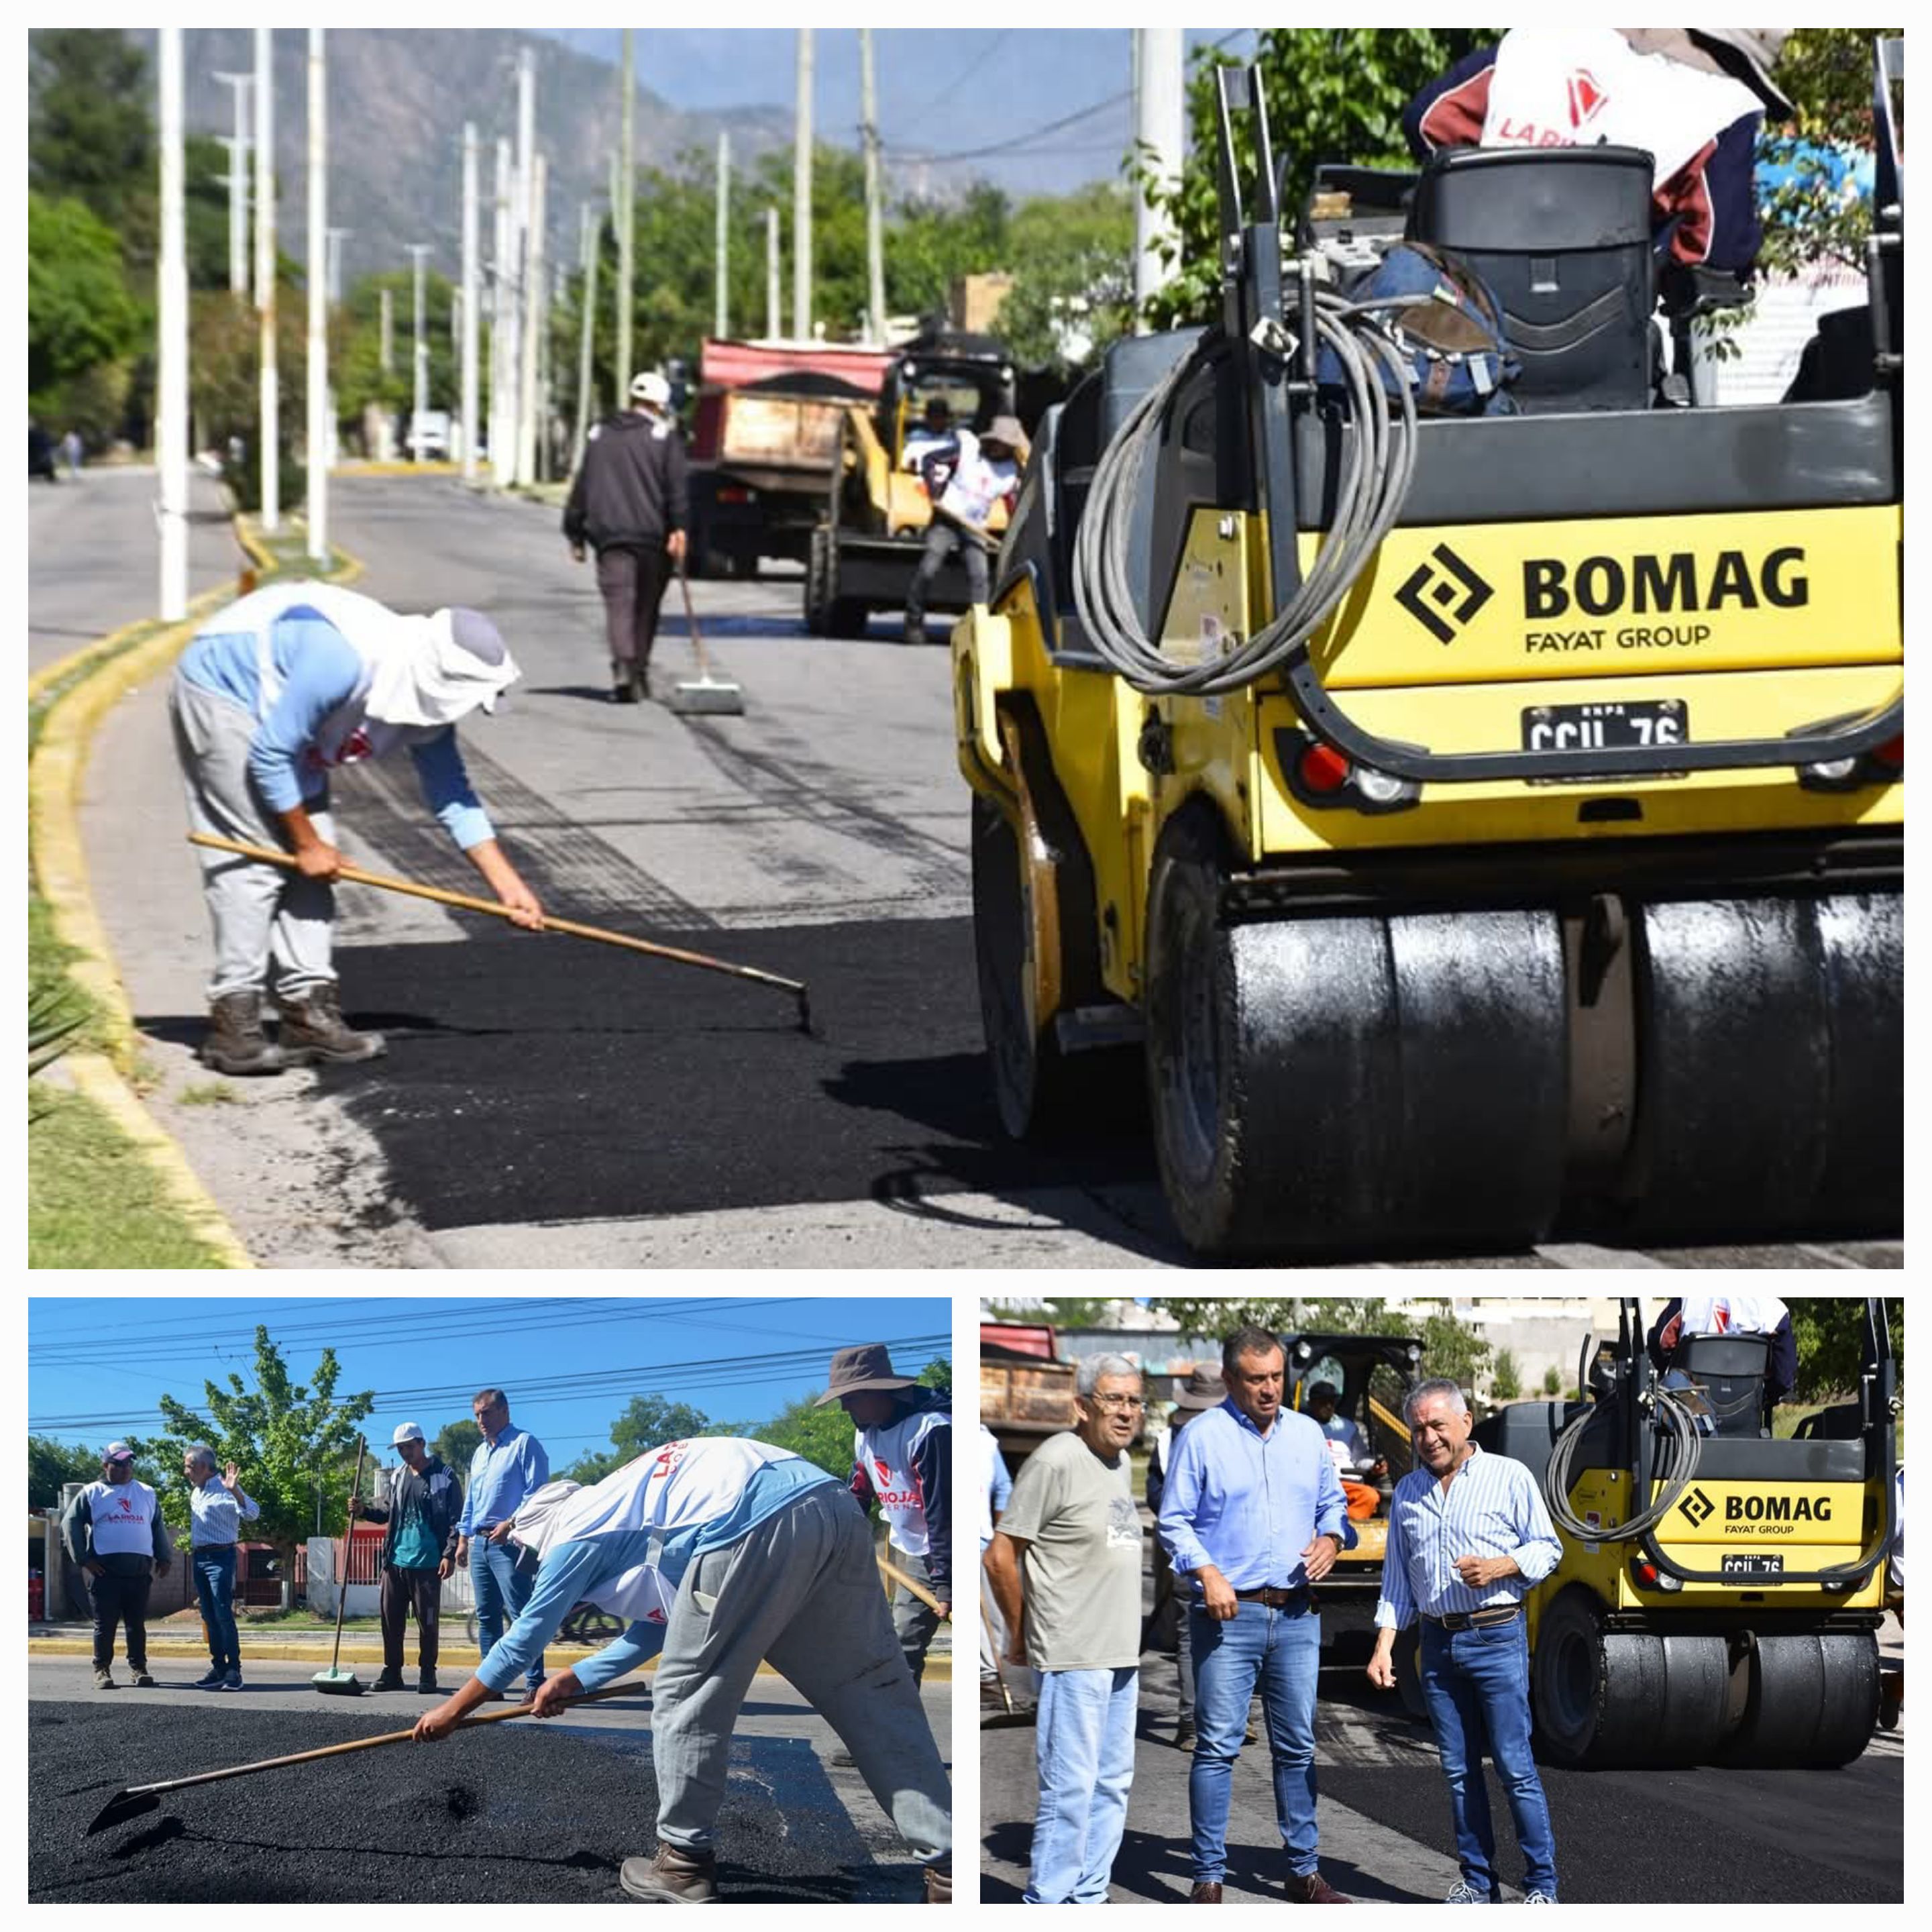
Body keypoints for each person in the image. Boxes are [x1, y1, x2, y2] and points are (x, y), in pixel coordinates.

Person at [411, 1438, 953, 1904]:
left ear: (537, 1535)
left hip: (753, 1514)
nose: (534, 1571)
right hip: (828, 1502)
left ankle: (683, 1861)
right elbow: (662, 1624)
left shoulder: (571, 1532)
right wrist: (575, 1679)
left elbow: (522, 1640)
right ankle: (947, 1866)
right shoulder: (633, 1521)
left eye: (530, 1557)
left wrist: (453, 1710)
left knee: (685, 1693)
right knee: (869, 1689)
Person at [170, 579, 543, 1077]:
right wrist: (304, 842)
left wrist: (507, 885)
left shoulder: (425, 698)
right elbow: (271, 754)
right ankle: (233, 1022)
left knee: (319, 863)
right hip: (224, 689)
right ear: (443, 681)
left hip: (280, 716)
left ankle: (307, 1015)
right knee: (255, 860)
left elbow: (451, 793)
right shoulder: (342, 662)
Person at [1158, 1326, 1351, 1904]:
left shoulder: (1307, 1433)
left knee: (1297, 1749)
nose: (1269, 1390)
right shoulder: (1202, 1437)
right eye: (1255, 1379)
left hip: (1295, 1615)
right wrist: (1207, 1572)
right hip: (1229, 1615)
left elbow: (1332, 1501)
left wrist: (1332, 1537)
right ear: (1230, 1379)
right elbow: (1173, 1520)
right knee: (1217, 1748)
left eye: (1276, 1377)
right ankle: (1208, 1877)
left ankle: (1303, 1872)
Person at [1367, 1379, 1562, 1904]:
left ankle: (1542, 1888)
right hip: (1437, 1645)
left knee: (1514, 1767)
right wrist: (1385, 1645)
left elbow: (1548, 1548)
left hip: (1496, 1636)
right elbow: (1398, 1582)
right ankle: (1478, 1886)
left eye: (1437, 1425)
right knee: (1458, 1772)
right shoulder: (1408, 1491)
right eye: (1419, 1428)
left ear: (1466, 1422)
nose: (1428, 1437)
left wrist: (1502, 1565)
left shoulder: (1508, 1477)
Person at [1403, 29, 1793, 277]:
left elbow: (1425, 121)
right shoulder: (1726, 105)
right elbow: (1717, 250)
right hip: (1607, 343)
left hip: (1475, 309)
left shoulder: (1537, 45)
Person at [983, 1354, 1145, 1905]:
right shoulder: (1056, 1460)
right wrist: (1020, 1632)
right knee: (1070, 1789)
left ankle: (1089, 1898)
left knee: (1111, 1784)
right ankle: (1047, 1903)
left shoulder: (1119, 1462)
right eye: (1113, 1400)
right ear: (1082, 1405)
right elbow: (1000, 1556)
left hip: (1121, 1651)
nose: (1126, 1412)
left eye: (1134, 1400)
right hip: (1073, 1653)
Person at [818, 1342, 952, 1685]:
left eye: (850, 1397)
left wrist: (946, 1583)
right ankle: (901, 1733)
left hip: (955, 1550)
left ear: (878, 1392)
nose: (844, 1406)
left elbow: (944, 1512)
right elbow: (857, 1493)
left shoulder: (931, 1431)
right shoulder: (866, 1436)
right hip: (918, 1552)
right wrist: (839, 1536)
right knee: (902, 1647)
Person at [564, 369, 690, 704]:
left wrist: (574, 532)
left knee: (619, 603)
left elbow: (583, 486)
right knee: (646, 608)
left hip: (610, 538)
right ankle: (637, 668)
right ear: (660, 405)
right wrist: (680, 528)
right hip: (653, 538)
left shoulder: (600, 434)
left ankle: (625, 665)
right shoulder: (664, 438)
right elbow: (677, 489)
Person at [1146, 1366, 1245, 1752]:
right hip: (1195, 1553)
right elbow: (1159, 1494)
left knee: (1208, 1635)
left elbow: (1155, 1492)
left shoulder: (1169, 1437)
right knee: (1201, 1633)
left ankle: (1207, 1719)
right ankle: (1195, 1720)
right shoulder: (1229, 1436)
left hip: (1214, 1551)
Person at [352, 1421, 464, 1695]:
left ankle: (428, 1673)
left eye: (409, 1447)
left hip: (428, 1564)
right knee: (390, 1621)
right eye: (400, 1449)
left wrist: (449, 1554)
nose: (404, 1453)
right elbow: (387, 1513)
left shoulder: (445, 1476)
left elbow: (455, 1520)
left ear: (422, 1444)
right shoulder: (398, 1476)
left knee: (427, 1622)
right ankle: (392, 1672)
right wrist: (364, 1509)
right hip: (395, 1562)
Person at [454, 1388, 550, 1701]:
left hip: (510, 1542)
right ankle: (490, 1685)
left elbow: (537, 1494)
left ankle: (534, 1682)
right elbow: (471, 1500)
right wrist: (463, 1539)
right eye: (477, 1415)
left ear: (505, 1412)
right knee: (487, 1615)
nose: (481, 1420)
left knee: (521, 1613)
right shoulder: (480, 1454)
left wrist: (509, 1524)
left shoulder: (524, 1444)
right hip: (480, 1545)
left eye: (486, 1413)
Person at [902, 414, 1026, 645]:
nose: (1002, 448)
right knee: (930, 566)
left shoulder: (1011, 472)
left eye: (1008, 445)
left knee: (980, 575)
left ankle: (980, 632)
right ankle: (913, 621)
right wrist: (935, 492)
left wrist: (1016, 535)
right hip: (946, 519)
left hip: (974, 527)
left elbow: (1014, 508)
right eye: (1000, 443)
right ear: (992, 441)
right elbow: (930, 460)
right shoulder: (967, 451)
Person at [61, 1442, 172, 1690]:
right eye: (119, 1463)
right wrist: (84, 1559)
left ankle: (138, 1668)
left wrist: (164, 1556)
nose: (125, 1468)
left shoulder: (146, 1492)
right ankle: (102, 1669)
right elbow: (71, 1523)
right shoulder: (93, 1493)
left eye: (129, 1463)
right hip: (105, 1573)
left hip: (139, 1572)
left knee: (136, 1624)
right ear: (106, 1466)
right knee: (105, 1624)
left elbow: (157, 1526)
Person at [1647, 1293, 1796, 1429]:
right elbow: (1784, 1378)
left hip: (1693, 1417)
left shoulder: (1688, 1299)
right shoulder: (1774, 1311)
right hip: (1748, 1419)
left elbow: (1661, 1344)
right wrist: (1765, 1398)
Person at [182, 1444, 260, 1691]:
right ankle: (218, 1667)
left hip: (221, 1557)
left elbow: (252, 1513)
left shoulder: (225, 1487)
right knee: (208, 1615)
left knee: (223, 1613)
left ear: (204, 1467)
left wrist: (235, 1490)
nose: (185, 1471)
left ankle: (234, 1671)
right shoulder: (196, 1492)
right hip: (200, 1558)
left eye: (189, 1466)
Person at [979, 1421, 1022, 1713]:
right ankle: (989, 1678)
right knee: (985, 1617)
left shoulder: (984, 1442)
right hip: (975, 1536)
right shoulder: (985, 1441)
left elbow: (1005, 1489)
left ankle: (989, 1680)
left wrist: (999, 1536)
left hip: (979, 1538)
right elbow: (1005, 1490)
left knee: (986, 1616)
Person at [1305, 1381, 1389, 1522]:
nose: (1328, 1406)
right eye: (1323, 1402)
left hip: (1347, 1483)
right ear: (1312, 1403)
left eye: (1331, 1402)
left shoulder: (1348, 1427)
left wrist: (1374, 1466)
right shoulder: (1302, 1426)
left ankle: (1340, 1526)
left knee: (1370, 1496)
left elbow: (1360, 1458)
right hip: (1318, 1485)